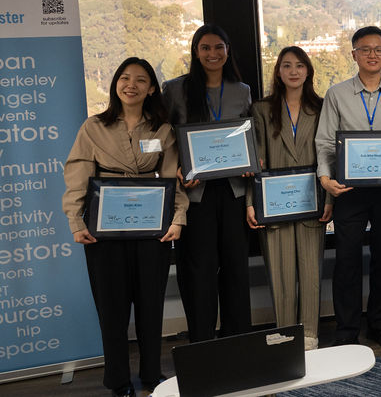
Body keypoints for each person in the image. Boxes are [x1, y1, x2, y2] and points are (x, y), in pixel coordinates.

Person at [62, 58, 188, 397]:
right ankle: (117, 380)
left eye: (141, 79)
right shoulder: (93, 127)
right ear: (115, 83)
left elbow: (173, 178)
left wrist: (178, 218)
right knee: (112, 308)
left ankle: (151, 374)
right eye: (125, 78)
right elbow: (77, 175)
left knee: (151, 305)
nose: (131, 85)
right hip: (104, 231)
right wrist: (75, 220)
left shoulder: (162, 130)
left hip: (152, 229)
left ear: (151, 89)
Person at [315, 26, 381, 348]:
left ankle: (380, 324)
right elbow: (325, 141)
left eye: (379, 49)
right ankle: (346, 331)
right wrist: (325, 179)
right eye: (365, 49)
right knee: (346, 261)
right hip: (348, 191)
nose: (373, 55)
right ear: (354, 54)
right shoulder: (337, 94)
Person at [163, 24, 253, 341]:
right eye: (205, 47)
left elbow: (248, 135)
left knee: (235, 267)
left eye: (218, 47)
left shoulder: (241, 90)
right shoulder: (175, 90)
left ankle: (237, 338)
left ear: (228, 51)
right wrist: (175, 168)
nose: (212, 53)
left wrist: (249, 163)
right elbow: (165, 138)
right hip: (194, 194)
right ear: (195, 51)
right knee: (198, 270)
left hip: (233, 190)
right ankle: (201, 340)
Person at [247, 47, 331, 350]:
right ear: (278, 72)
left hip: (312, 200)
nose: (293, 71)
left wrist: (330, 199)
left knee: (310, 271)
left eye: (299, 65)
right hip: (274, 204)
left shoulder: (321, 107)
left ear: (308, 71)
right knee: (280, 272)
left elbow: (328, 154)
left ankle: (309, 335)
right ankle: (284, 334)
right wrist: (250, 202)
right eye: (286, 65)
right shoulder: (261, 109)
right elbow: (255, 162)